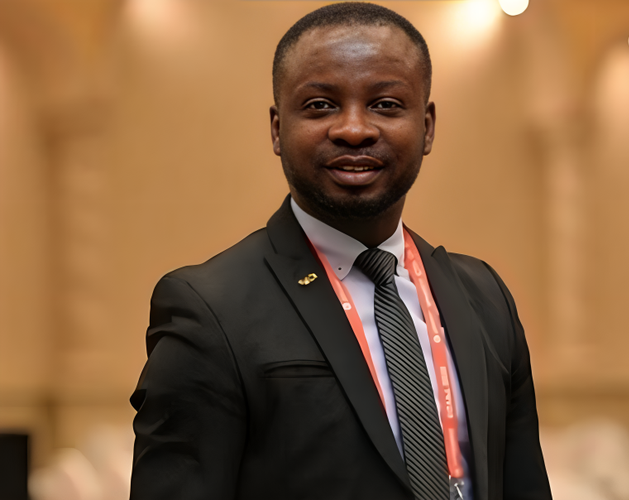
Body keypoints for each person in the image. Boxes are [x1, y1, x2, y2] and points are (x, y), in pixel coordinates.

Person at [128, 3, 551, 500]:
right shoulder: (209, 308)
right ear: (277, 129)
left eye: (386, 104)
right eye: (320, 105)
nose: (354, 129)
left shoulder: (486, 298)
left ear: (428, 126)